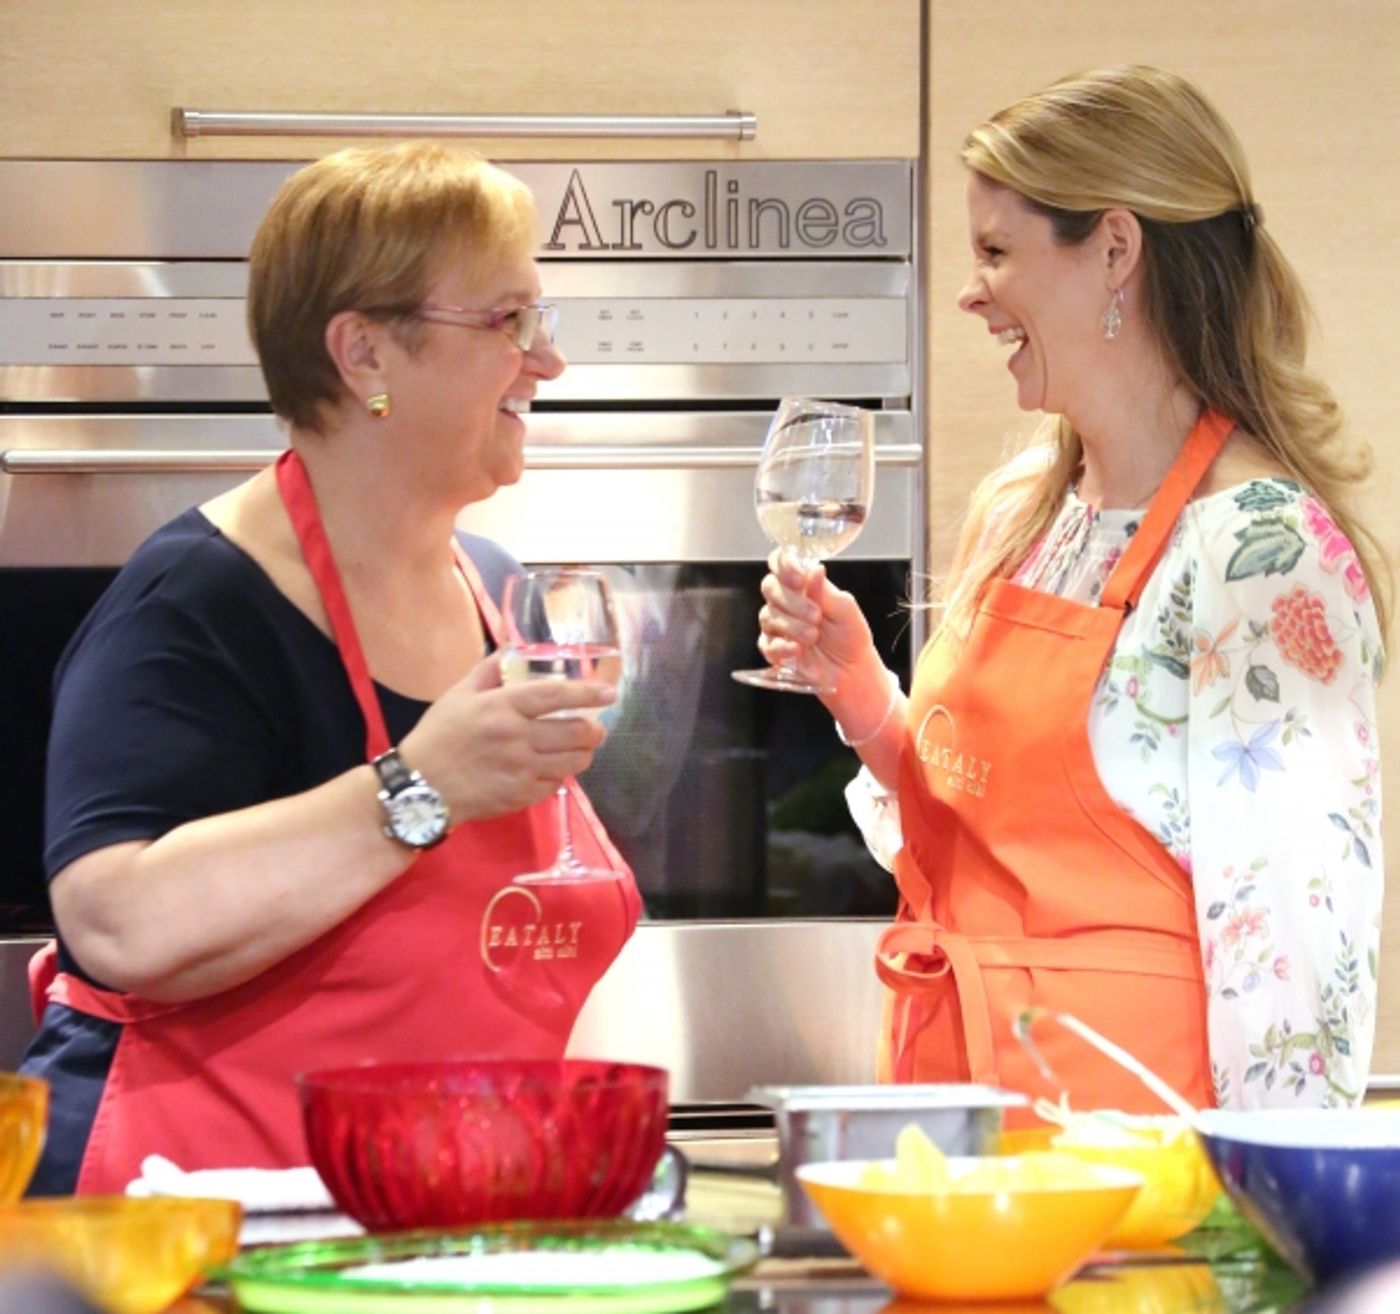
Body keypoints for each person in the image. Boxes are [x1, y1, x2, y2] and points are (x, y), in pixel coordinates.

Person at [753, 65, 1385, 1114]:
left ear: (1113, 251)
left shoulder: (1259, 554)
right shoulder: (1025, 513)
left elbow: (1293, 962)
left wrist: (1265, 1237)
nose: (970, 291)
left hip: (1140, 1190)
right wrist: (863, 698)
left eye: (996, 251)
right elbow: (982, 847)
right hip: (956, 1146)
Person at [20, 142, 641, 1194]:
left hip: (421, 1223)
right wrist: (422, 786)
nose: (546, 362)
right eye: (508, 322)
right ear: (363, 356)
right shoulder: (199, 602)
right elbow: (114, 918)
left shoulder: (492, 593)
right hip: (193, 1228)